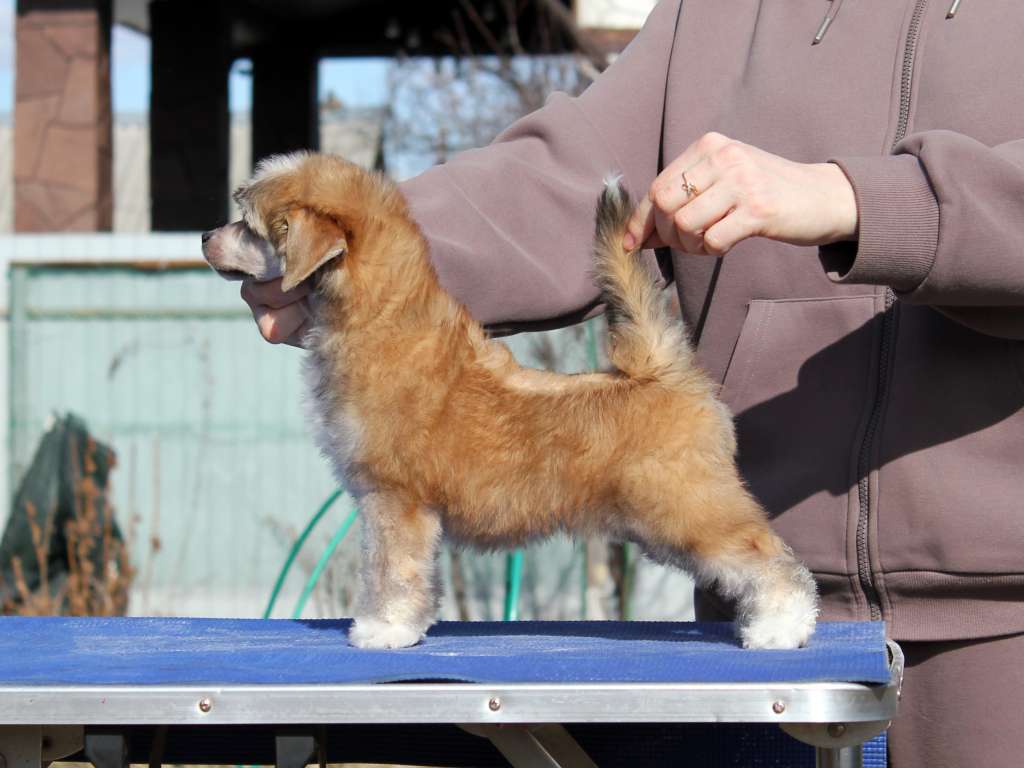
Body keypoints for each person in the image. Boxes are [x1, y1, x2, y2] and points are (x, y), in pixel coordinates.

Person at [240, 2, 1024, 765]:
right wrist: (352, 242)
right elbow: (564, 177)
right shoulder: (711, 13)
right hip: (748, 643)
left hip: (1005, 624)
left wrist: (861, 200)